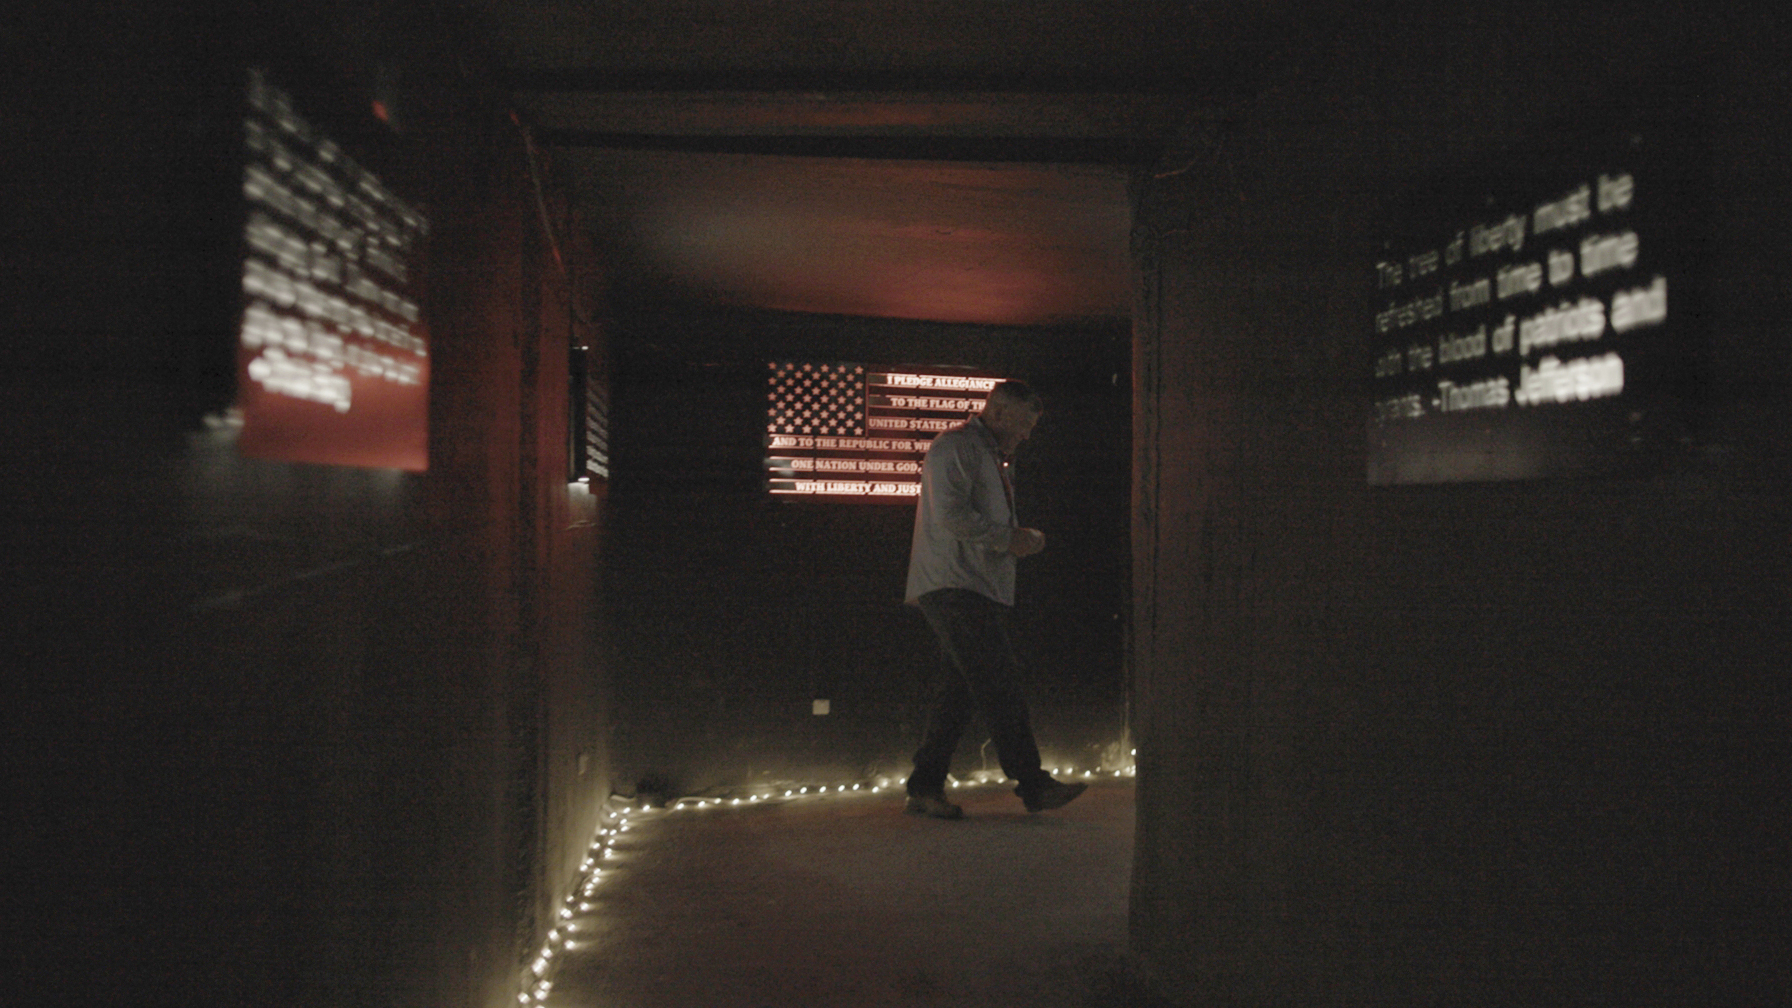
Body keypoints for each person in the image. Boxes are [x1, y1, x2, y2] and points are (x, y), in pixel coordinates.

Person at [901, 380, 1087, 819]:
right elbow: (952, 517)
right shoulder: (957, 448)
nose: (1026, 435)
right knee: (998, 682)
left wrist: (1010, 542)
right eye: (1023, 424)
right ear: (999, 413)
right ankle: (1033, 783)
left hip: (964, 586)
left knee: (959, 693)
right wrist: (1011, 540)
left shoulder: (982, 454)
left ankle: (925, 787)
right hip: (955, 587)